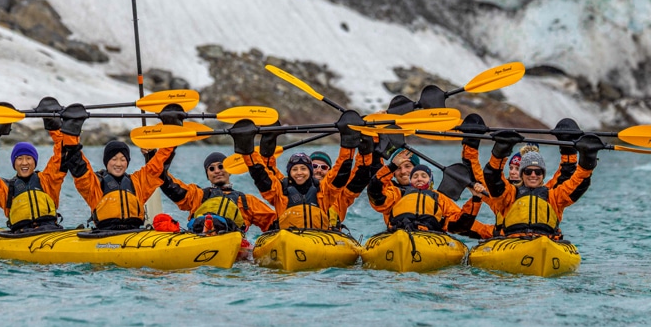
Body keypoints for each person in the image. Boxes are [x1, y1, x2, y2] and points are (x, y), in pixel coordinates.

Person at [238, 111, 370, 230]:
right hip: (289, 238)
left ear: (330, 171)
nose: (318, 170)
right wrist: (260, 145)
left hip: (326, 239)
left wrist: (355, 143)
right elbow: (264, 174)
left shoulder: (332, 192)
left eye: (323, 167)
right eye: (314, 166)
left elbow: (351, 173)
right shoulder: (282, 189)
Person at [58, 104, 176, 231]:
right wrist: (72, 132)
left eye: (123, 159)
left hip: (134, 232)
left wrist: (172, 128)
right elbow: (77, 164)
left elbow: (158, 166)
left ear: (127, 162)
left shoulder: (137, 182)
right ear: (106, 162)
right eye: (114, 159)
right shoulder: (96, 183)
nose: (118, 164)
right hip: (105, 233)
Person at [482, 130, 601, 239]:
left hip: (546, 240)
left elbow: (578, 184)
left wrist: (587, 160)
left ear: (543, 175)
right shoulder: (510, 194)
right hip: (514, 241)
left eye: (538, 172)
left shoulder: (553, 196)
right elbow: (493, 177)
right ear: (522, 174)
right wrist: (500, 152)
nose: (533, 175)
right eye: (528, 171)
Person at [0, 97, 68, 232]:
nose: (24, 162)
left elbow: (63, 153)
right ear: (14, 163)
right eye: (19, 159)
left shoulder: (48, 180)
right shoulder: (6, 189)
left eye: (28, 158)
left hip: (50, 231)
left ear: (34, 162)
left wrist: (55, 127)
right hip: (20, 235)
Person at [159, 151, 276, 234]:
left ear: (230, 171)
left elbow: (273, 223)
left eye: (221, 166)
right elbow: (170, 186)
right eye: (211, 168)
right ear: (208, 175)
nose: (217, 171)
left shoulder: (246, 201)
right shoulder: (197, 195)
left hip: (232, 246)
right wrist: (152, 156)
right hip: (199, 239)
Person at [372, 162, 482, 234]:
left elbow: (459, 224)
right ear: (410, 180)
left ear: (430, 180)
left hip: (430, 234)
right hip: (399, 232)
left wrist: (476, 199)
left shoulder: (439, 198)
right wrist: (391, 166)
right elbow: (376, 195)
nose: (419, 179)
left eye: (424, 176)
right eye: (415, 176)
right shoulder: (397, 193)